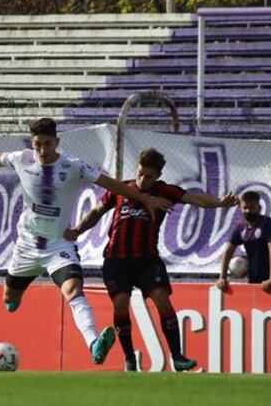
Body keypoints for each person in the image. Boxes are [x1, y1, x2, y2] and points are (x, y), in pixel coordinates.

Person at [0, 118, 173, 365]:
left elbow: (112, 184)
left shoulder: (74, 166)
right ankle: (14, 296)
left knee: (73, 290)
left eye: (47, 144)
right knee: (9, 300)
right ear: (32, 143)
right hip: (27, 246)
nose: (42, 150)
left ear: (57, 142)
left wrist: (147, 199)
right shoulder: (21, 159)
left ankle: (94, 343)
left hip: (58, 246)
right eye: (37, 143)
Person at [70, 148, 238, 372]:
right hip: (116, 260)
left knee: (161, 299)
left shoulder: (165, 191)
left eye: (149, 176)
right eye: (140, 173)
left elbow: (196, 199)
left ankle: (177, 357)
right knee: (120, 304)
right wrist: (77, 230)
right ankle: (129, 359)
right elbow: (96, 212)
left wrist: (219, 203)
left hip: (147, 260)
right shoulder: (121, 190)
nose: (143, 179)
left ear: (158, 175)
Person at [216, 190, 271, 292]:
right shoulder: (241, 227)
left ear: (259, 208)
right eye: (245, 208)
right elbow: (227, 252)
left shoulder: (268, 224)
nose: (248, 211)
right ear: (241, 208)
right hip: (253, 280)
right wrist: (222, 277)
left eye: (252, 207)